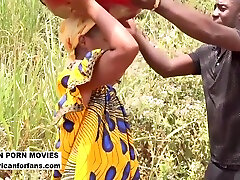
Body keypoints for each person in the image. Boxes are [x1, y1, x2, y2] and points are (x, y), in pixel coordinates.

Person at [127, 0, 240, 179]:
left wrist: (158, 3)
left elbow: (212, 32)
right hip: (217, 164)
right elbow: (168, 67)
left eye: (223, 8)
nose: (215, 13)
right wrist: (136, 34)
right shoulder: (211, 52)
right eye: (215, 7)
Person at [49, 0, 141, 179]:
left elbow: (128, 38)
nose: (112, 44)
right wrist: (89, 5)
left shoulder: (98, 80)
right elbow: (128, 47)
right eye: (107, 38)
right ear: (83, 40)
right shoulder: (76, 75)